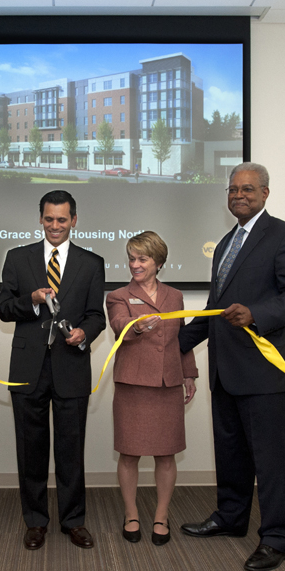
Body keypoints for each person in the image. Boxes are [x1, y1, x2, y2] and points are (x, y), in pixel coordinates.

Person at [178, 162, 285, 571]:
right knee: (232, 454)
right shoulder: (224, 244)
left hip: (266, 374)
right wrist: (168, 345)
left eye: (248, 189)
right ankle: (231, 517)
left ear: (265, 194)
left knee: (271, 460)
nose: (239, 195)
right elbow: (214, 310)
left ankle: (277, 537)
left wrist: (256, 312)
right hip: (226, 372)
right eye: (233, 189)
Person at [0, 189, 106, 550]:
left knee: (71, 450)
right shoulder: (17, 257)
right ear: (40, 218)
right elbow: (3, 310)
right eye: (49, 219)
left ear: (74, 220)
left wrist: (84, 333)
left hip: (71, 366)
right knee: (31, 450)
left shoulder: (92, 263)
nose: (55, 226)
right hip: (27, 367)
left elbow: (96, 316)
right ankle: (35, 521)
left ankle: (73, 521)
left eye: (62, 219)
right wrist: (30, 300)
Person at [106, 231, 198, 546]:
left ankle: (161, 514)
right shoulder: (117, 295)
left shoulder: (175, 296)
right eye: (131, 258)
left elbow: (183, 340)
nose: (135, 264)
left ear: (158, 261)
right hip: (133, 384)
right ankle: (131, 513)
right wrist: (136, 326)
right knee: (129, 453)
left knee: (166, 454)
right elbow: (118, 324)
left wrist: (189, 374)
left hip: (167, 383)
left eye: (142, 258)